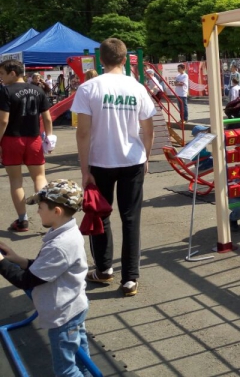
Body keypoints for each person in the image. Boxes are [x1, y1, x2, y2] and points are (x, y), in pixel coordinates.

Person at [72, 38, 156, 297]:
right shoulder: (137, 87)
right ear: (123, 59)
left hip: (100, 162)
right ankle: (130, 278)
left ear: (101, 60)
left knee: (100, 215)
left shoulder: (88, 88)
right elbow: (148, 128)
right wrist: (147, 157)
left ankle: (105, 269)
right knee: (131, 219)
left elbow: (83, 133)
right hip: (132, 160)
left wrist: (85, 170)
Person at [0, 179, 91, 377]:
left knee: (66, 370)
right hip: (74, 306)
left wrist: (1, 262)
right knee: (80, 355)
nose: (38, 211)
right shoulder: (63, 231)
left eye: (40, 207)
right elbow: (45, 269)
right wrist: (18, 259)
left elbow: (26, 281)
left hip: (63, 317)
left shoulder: (60, 244)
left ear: (56, 211)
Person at [0, 60, 54, 232]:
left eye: (2, 73)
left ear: (13, 73)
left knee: (16, 181)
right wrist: (50, 136)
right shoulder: (38, 90)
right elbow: (47, 118)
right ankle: (51, 216)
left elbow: (3, 121)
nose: (1, 77)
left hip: (12, 139)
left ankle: (22, 220)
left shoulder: (5, 91)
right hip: (34, 139)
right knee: (39, 177)